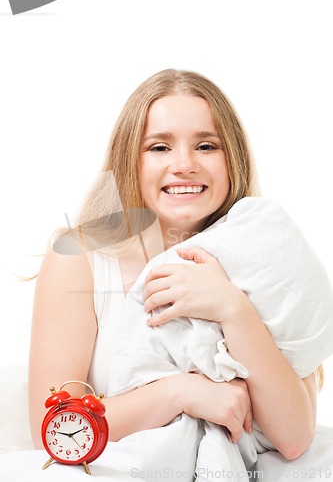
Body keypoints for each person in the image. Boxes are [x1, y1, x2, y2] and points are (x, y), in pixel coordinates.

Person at [4, 69, 333, 482]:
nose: (184, 165)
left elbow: (294, 437)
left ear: (232, 159)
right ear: (131, 160)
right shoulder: (82, 259)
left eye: (206, 146)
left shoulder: (265, 258)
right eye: (159, 147)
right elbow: (51, 430)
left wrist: (233, 308)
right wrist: (183, 393)